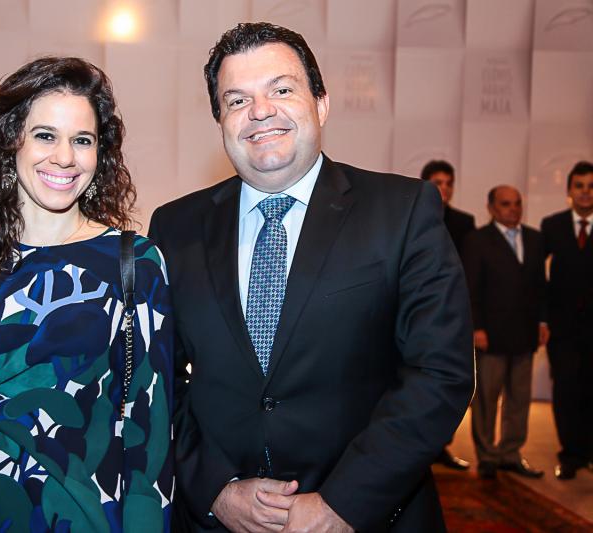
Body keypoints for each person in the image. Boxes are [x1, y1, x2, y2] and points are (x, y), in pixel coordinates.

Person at [149, 23, 474, 532]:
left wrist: (342, 505)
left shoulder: (403, 211)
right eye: (237, 100)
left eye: (281, 90)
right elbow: (158, 382)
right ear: (220, 122)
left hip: (370, 517)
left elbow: (440, 373)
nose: (260, 111)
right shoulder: (174, 227)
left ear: (321, 104)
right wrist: (215, 489)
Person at [0, 57, 174, 532]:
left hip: (85, 518)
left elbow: (150, 439)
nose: (64, 157)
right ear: (11, 141)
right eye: (45, 135)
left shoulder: (135, 263)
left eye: (82, 140)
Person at [463, 185, 548, 480]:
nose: (513, 209)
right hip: (491, 335)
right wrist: (476, 327)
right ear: (491, 208)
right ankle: (487, 455)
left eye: (517, 203)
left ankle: (510, 453)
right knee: (486, 399)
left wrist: (543, 322)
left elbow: (541, 287)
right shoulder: (477, 240)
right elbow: (470, 288)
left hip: (525, 334)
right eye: (506, 204)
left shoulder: (535, 239)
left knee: (519, 399)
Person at [420, 159, 475, 471]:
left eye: (448, 183)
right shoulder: (409, 213)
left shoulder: (465, 223)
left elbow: (468, 272)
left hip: (451, 310)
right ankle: (420, 448)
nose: (444, 188)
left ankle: (443, 446)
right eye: (437, 182)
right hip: (415, 308)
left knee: (448, 381)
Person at [540, 161, 593, 480]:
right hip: (563, 329)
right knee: (566, 390)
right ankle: (571, 454)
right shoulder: (552, 225)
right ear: (569, 190)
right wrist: (543, 319)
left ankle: (589, 450)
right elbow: (538, 276)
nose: (586, 192)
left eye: (591, 186)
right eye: (579, 186)